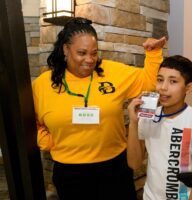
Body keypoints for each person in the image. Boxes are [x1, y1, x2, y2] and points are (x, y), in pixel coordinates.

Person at [32, 17, 167, 200]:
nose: (89, 60)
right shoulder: (42, 85)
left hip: (115, 168)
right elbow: (32, 122)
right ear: (65, 49)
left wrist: (153, 54)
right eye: (82, 53)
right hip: (70, 173)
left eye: (94, 53)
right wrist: (47, 141)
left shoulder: (111, 71)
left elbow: (148, 82)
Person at [127, 55, 192, 200]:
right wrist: (134, 123)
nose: (163, 87)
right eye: (160, 80)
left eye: (173, 81)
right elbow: (134, 163)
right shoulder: (148, 117)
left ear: (189, 87)